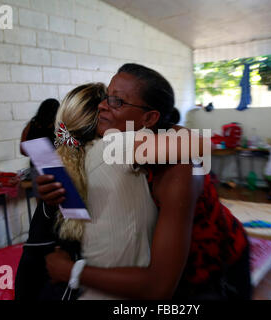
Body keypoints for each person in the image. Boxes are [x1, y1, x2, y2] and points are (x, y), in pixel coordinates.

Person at [39, 63, 251, 300]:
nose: (102, 105)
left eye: (116, 101)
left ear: (149, 118)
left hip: (215, 269)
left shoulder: (177, 169)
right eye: (106, 97)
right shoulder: (117, 147)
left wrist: (71, 271)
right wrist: (54, 193)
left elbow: (159, 287)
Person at [16, 82, 206, 300]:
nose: (111, 107)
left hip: (40, 282)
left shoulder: (58, 159)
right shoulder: (116, 146)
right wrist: (163, 125)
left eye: (117, 102)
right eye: (110, 102)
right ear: (101, 117)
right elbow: (198, 144)